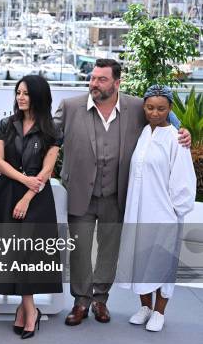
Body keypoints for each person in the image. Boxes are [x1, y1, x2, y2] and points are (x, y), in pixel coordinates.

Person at [54, 59, 191, 326]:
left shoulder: (136, 106)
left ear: (117, 83)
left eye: (101, 79)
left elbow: (162, 112)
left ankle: (100, 300)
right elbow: (48, 135)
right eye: (92, 78)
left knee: (110, 250)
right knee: (80, 251)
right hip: (81, 193)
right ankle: (80, 302)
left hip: (118, 195)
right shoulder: (70, 107)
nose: (94, 83)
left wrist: (181, 128)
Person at [0, 75, 63, 339]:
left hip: (36, 198)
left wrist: (26, 196)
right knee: (12, 254)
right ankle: (28, 310)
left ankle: (27, 311)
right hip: (8, 193)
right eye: (18, 93)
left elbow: (47, 170)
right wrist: (25, 180)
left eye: (25, 93)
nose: (20, 98)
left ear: (38, 96)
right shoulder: (6, 125)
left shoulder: (52, 130)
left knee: (30, 257)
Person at [117, 85, 196, 332]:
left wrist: (175, 212)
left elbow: (183, 179)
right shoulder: (142, 134)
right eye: (150, 107)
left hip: (164, 213)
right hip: (138, 210)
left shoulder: (175, 139)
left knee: (162, 262)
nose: (155, 113)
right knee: (141, 258)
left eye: (161, 108)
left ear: (170, 109)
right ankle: (145, 307)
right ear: (144, 107)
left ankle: (160, 312)